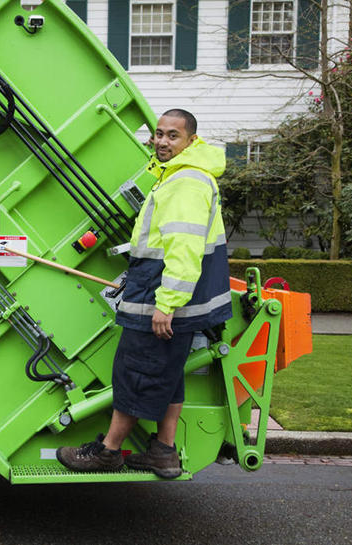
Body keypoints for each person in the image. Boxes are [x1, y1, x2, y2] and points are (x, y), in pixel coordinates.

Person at [56, 109, 232, 478]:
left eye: (173, 136)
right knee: (168, 373)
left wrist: (166, 305)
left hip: (162, 295)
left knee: (136, 371)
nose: (163, 142)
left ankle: (108, 452)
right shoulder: (180, 176)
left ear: (191, 141)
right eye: (159, 134)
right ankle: (163, 452)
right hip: (167, 292)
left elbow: (183, 249)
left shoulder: (186, 182)